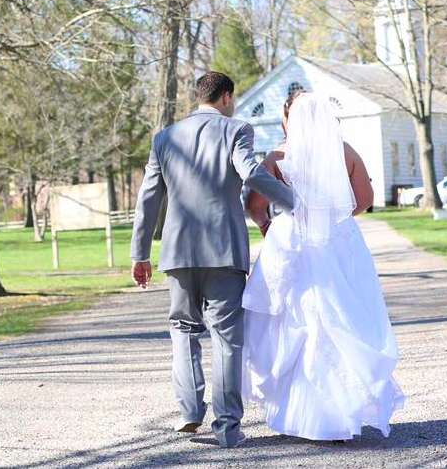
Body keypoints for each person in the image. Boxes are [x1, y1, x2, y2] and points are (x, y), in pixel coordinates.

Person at [130, 71, 295, 448]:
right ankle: (226, 427)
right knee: (226, 337)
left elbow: (148, 198)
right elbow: (249, 171)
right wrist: (293, 202)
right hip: (224, 250)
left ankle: (189, 411)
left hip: (178, 251)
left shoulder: (164, 138)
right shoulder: (236, 129)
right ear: (226, 98)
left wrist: (140, 254)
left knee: (183, 328)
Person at [242, 89, 405, 441]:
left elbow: (254, 205)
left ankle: (296, 415)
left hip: (292, 240)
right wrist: (332, 219)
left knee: (295, 321)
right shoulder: (344, 151)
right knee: (341, 317)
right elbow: (364, 200)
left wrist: (268, 224)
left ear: (289, 119)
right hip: (339, 242)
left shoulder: (278, 156)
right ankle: (338, 414)